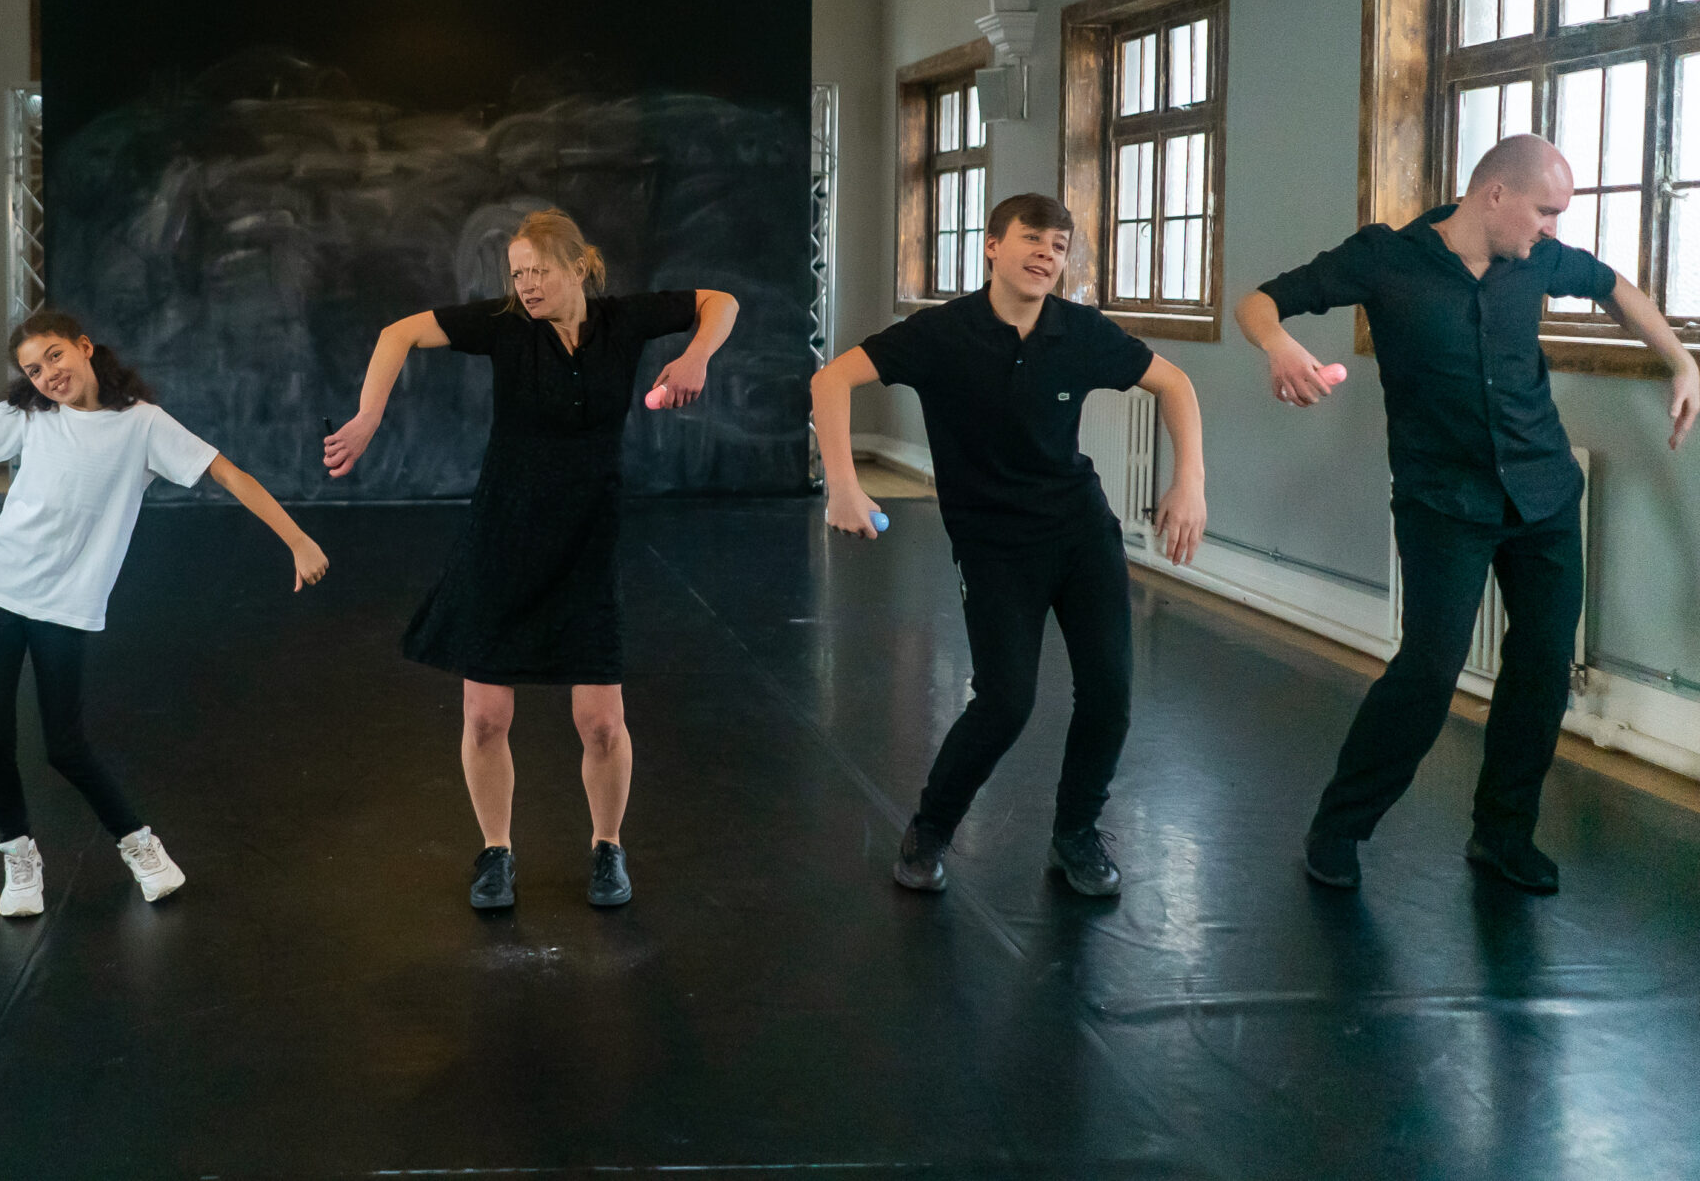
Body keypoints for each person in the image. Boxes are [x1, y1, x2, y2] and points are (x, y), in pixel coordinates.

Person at [1239, 134, 1696, 895]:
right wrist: (1280, 346)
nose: (1553, 229)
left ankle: (1502, 834)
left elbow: (1617, 287)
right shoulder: (1386, 258)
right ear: (1495, 196)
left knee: (1542, 668)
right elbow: (1258, 302)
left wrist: (1681, 359)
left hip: (1544, 495)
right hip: (1444, 502)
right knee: (1427, 670)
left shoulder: (1539, 260)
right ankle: (1340, 827)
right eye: (1545, 211)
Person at [323, 208, 738, 912]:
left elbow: (721, 303)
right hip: (504, 536)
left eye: (538, 270)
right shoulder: (506, 326)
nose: (526, 284)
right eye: (516, 273)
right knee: (485, 717)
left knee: (602, 723)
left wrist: (697, 354)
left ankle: (607, 846)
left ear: (579, 267)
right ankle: (496, 851)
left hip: (587, 539)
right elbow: (398, 333)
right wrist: (367, 415)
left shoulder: (625, 322)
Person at [0, 308, 328, 918]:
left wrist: (297, 539)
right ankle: (19, 856)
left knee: (66, 745)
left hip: (68, 604)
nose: (48, 373)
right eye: (33, 368)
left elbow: (228, 474)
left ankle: (140, 845)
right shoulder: (27, 415)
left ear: (83, 348)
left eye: (55, 356)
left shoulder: (143, 426)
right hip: (3, 589)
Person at [810, 192, 1205, 900]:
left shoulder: (1079, 332)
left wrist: (1191, 484)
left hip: (1080, 531)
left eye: (1058, 246)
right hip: (994, 545)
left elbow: (1173, 383)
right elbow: (831, 378)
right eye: (1032, 239)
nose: (1046, 255)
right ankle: (930, 830)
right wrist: (843, 483)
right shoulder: (940, 333)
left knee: (1110, 693)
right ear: (992, 247)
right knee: (1005, 701)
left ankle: (1075, 835)